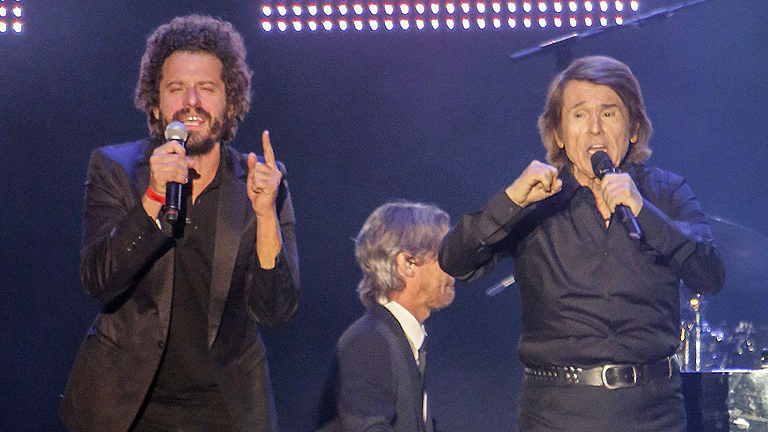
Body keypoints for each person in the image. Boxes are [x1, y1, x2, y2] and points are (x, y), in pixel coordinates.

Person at [438, 56, 725, 431]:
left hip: (654, 412)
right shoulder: (537, 197)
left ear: (634, 129)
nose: (594, 129)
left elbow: (709, 276)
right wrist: (510, 201)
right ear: (558, 134)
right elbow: (454, 260)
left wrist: (644, 211)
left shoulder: (666, 192)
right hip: (557, 413)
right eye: (579, 115)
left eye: (608, 113)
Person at [59, 15, 299, 432]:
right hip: (126, 405)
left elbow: (276, 311)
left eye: (206, 88)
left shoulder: (262, 181)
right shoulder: (115, 169)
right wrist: (154, 197)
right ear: (155, 104)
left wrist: (264, 217)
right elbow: (98, 280)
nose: (191, 101)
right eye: (176, 88)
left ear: (230, 102)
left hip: (226, 407)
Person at [317, 201, 455, 432]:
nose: (454, 267)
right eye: (444, 255)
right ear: (407, 263)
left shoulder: (396, 339)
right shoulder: (369, 343)